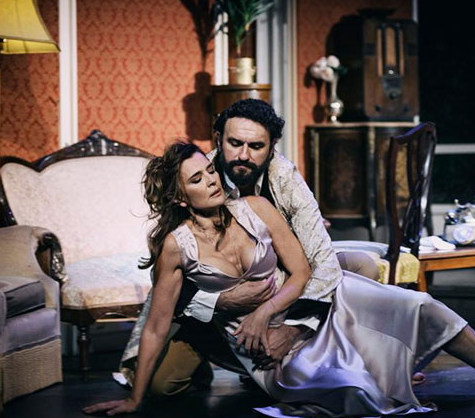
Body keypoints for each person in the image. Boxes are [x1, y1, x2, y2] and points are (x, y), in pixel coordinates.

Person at [83, 142, 475, 418]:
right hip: (267, 348)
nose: (212, 181)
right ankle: (380, 372)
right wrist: (136, 400)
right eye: (197, 179)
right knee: (351, 390)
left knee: (421, 306)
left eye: (209, 169)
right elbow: (156, 325)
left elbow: (303, 271)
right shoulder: (175, 247)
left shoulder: (255, 207)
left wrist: (266, 310)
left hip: (311, 305)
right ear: (180, 198)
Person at [133, 99, 380, 397]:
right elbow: (167, 274)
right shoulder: (193, 171)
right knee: (161, 387)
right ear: (218, 139)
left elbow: (318, 261)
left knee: (362, 266)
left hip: (283, 287)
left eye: (256, 146)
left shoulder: (285, 179)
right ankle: (230, 360)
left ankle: (356, 354)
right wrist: (219, 301)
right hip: (211, 314)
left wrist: (290, 331)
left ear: (272, 146)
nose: (243, 155)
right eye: (235, 143)